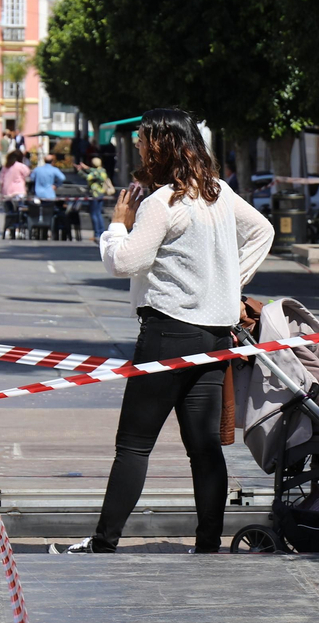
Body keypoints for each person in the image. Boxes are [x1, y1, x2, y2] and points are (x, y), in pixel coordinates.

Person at [66, 108, 273, 554]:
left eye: (143, 139)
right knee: (203, 448)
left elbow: (125, 262)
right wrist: (229, 287)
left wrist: (117, 225)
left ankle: (104, 542)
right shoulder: (217, 195)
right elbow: (263, 232)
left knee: (134, 446)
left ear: (160, 145)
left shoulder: (160, 204)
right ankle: (207, 542)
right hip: (215, 337)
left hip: (167, 335)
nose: (138, 145)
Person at [84, 155, 113, 236]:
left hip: (94, 194)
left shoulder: (95, 173)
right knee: (99, 213)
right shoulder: (102, 171)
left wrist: (80, 171)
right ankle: (101, 231)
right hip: (101, 193)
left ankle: (97, 233)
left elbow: (87, 177)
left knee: (94, 214)